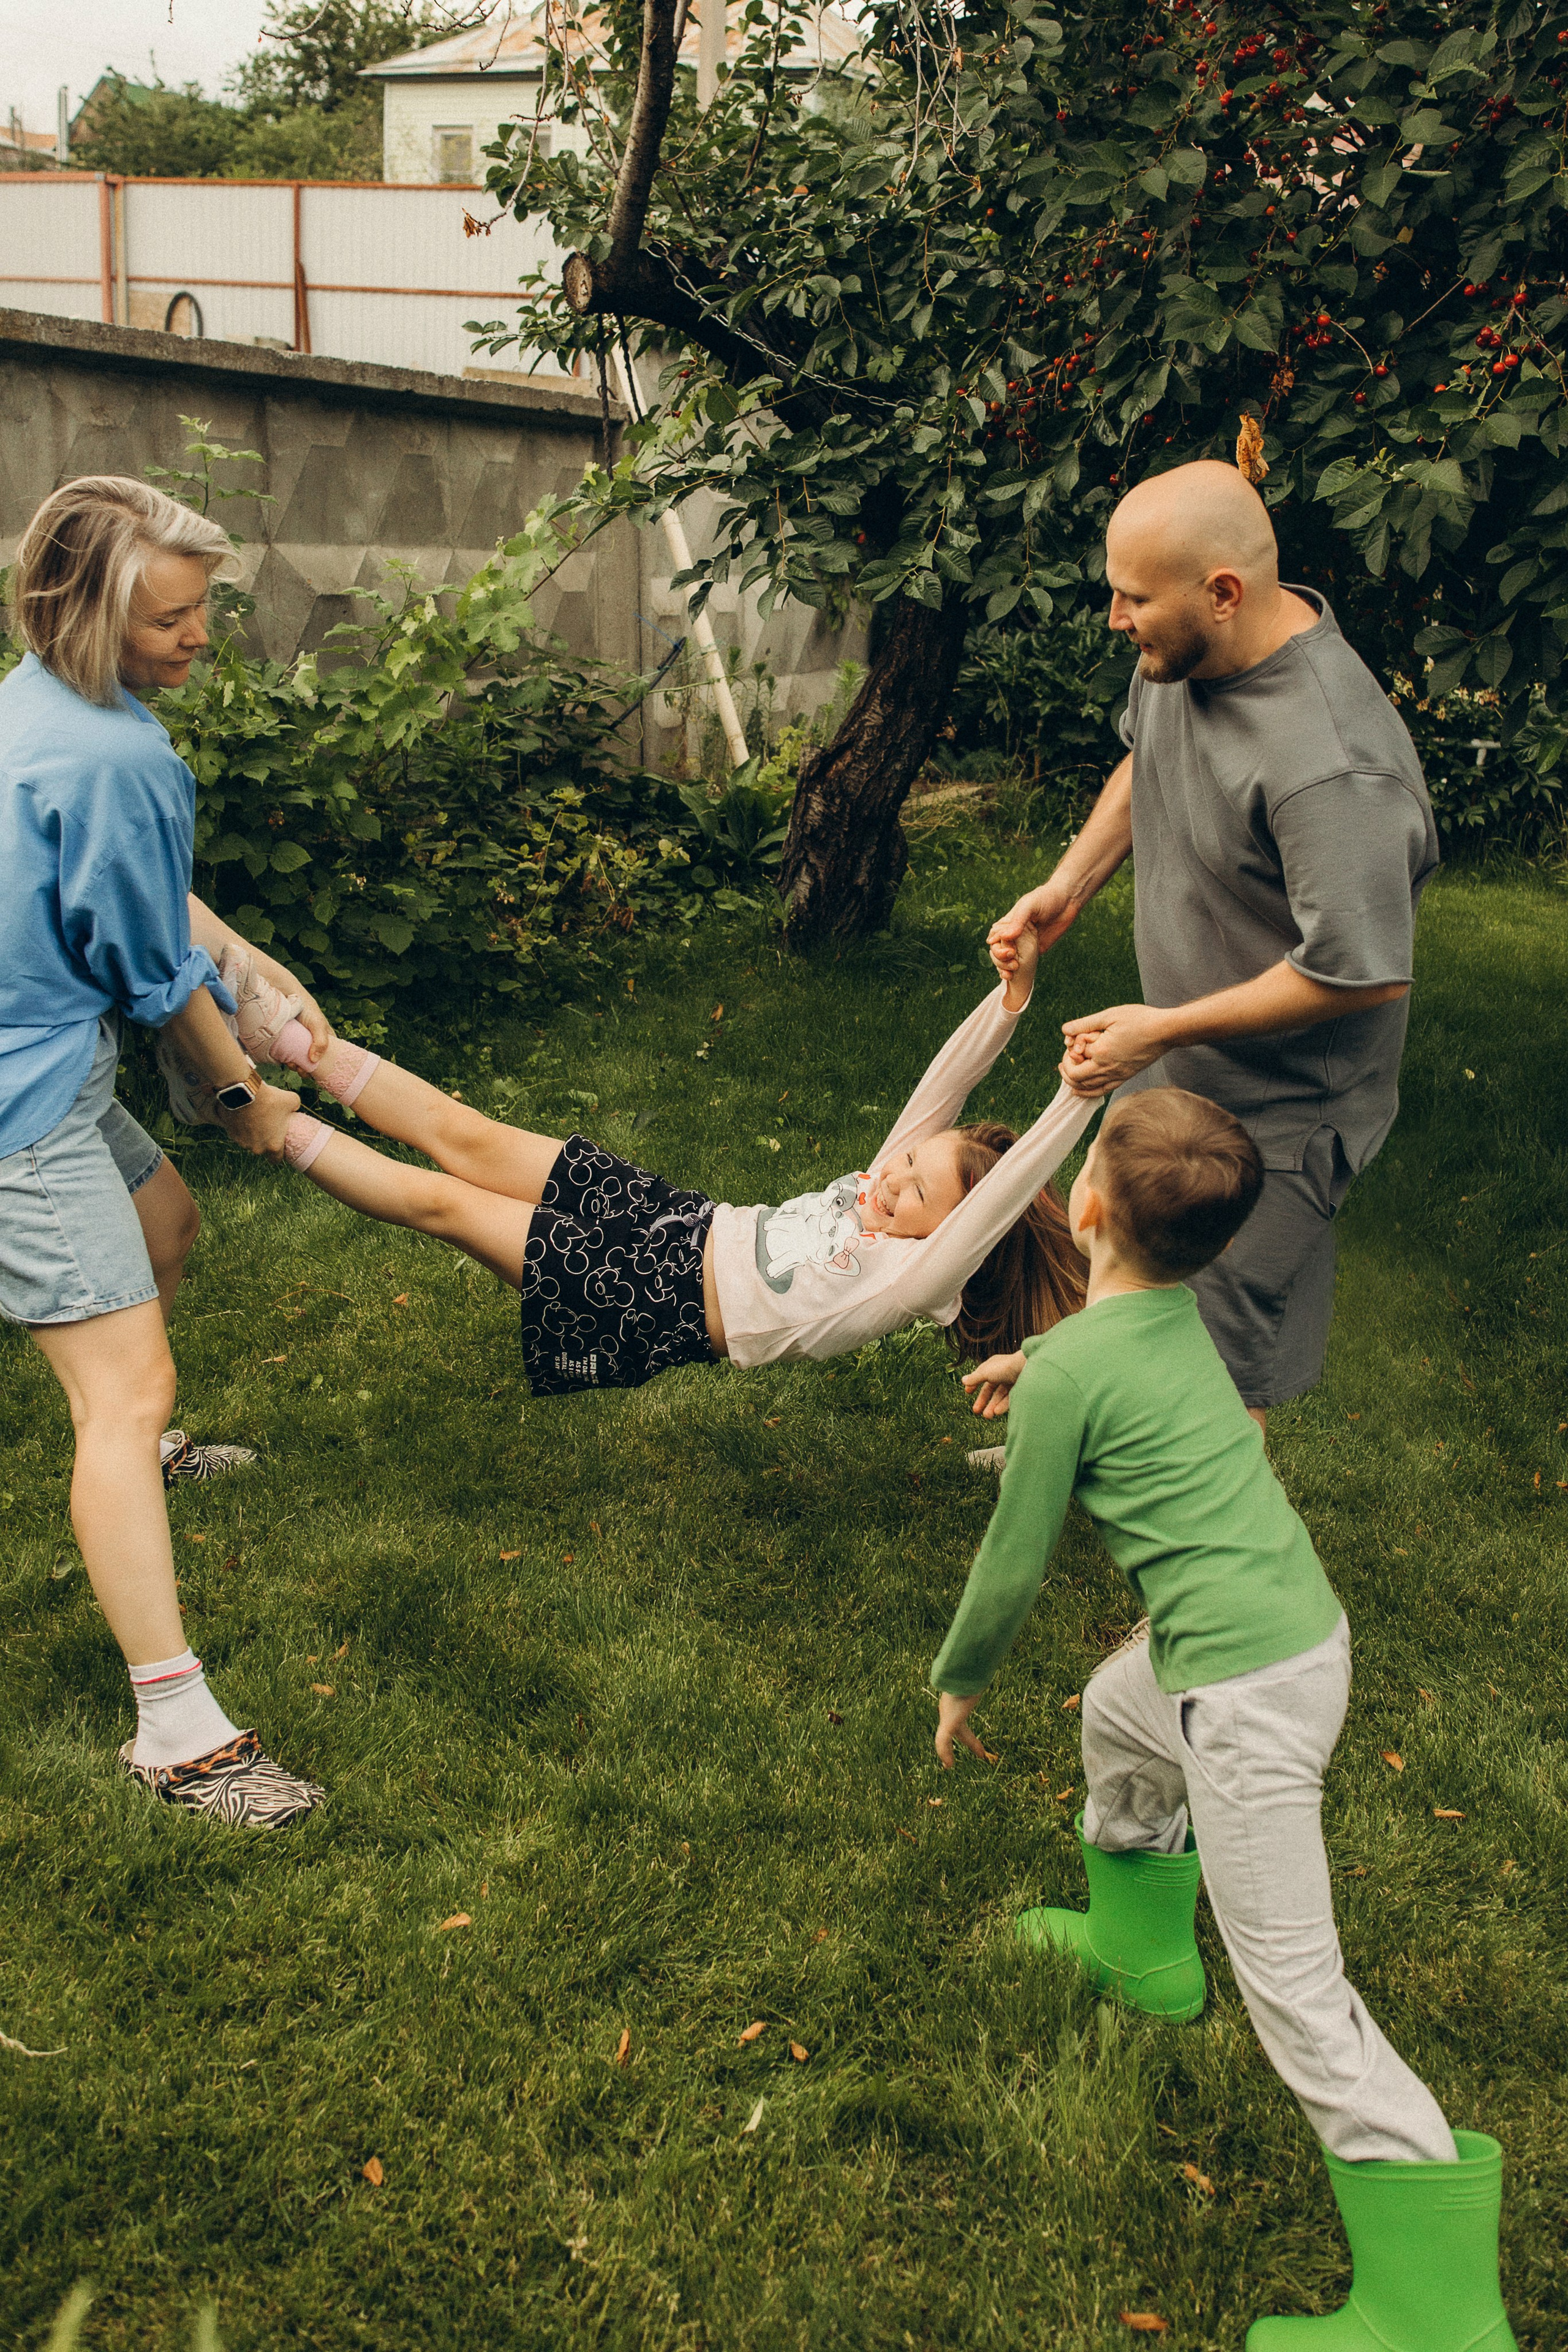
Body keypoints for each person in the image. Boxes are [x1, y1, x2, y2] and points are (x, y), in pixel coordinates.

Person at [930, 1089, 1515, 2351]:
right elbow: (1112, 1356)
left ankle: (1437, 2316)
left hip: (1245, 1697)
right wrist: (1040, 1365)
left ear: (1077, 1205)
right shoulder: (1167, 1318)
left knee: (1299, 1995)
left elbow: (1015, 1551)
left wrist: (958, 1676)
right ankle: (1142, 1958)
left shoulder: (1081, 1364)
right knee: (1116, 1714)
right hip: (1289, 1635)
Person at [1, 476, 329, 1828]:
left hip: (49, 1064)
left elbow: (137, 903)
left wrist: (244, 961)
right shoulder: (115, 755)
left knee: (166, 1228)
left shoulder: (46, 702)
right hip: (20, 1105)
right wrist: (244, 1088)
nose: (201, 639)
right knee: (120, 1392)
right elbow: (151, 979)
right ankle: (178, 1731)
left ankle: (144, 1458)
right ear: (89, 617)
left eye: (204, 612)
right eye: (173, 621)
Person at [990, 460, 1439, 1428]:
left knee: (1219, 1354)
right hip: (1176, 1061)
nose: (1116, 618)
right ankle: (1086, 1458)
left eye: (1132, 598)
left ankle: (1208, 1550)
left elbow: (1358, 974)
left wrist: (1163, 1028)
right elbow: (1144, 754)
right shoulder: (1183, 652)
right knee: (1116, 1276)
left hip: (1281, 1111)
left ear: (1222, 593)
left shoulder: (1334, 764)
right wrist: (1066, 887)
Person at [204, 925, 1095, 1392]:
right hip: (682, 1218)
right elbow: (942, 1092)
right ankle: (291, 1044)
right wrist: (1008, 1002)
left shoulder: (917, 1274)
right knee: (468, 1135)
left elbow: (1002, 1194)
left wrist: (1076, 1099)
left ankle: (271, 1125)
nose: (893, 1178)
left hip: (664, 1299)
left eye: (915, 1190)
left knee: (447, 1204)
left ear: (954, 1236)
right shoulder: (884, 1186)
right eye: (908, 1166)